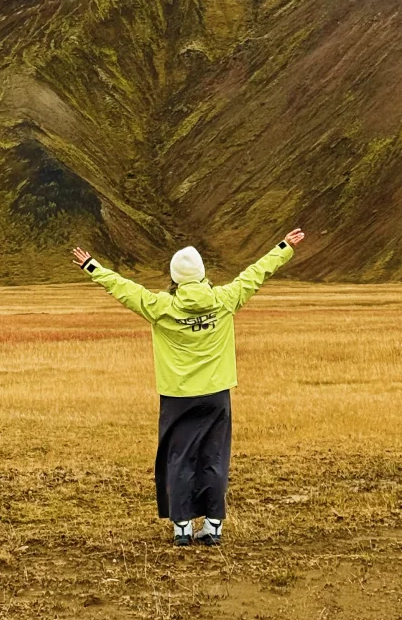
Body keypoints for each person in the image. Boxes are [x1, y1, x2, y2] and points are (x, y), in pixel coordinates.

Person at [71, 231, 304, 546]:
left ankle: (182, 526)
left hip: (178, 397)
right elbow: (255, 273)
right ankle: (213, 525)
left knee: (179, 458)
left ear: (175, 278)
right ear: (203, 273)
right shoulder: (224, 299)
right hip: (216, 394)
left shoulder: (160, 306)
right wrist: (284, 247)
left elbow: (125, 289)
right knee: (214, 456)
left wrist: (91, 266)